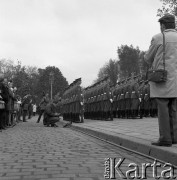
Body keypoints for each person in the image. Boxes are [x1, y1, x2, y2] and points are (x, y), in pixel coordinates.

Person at [144, 14, 177, 146]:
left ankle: (165, 138)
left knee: (163, 108)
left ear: (162, 26)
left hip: (163, 78)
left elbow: (147, 58)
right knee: (175, 108)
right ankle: (175, 137)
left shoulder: (158, 38)